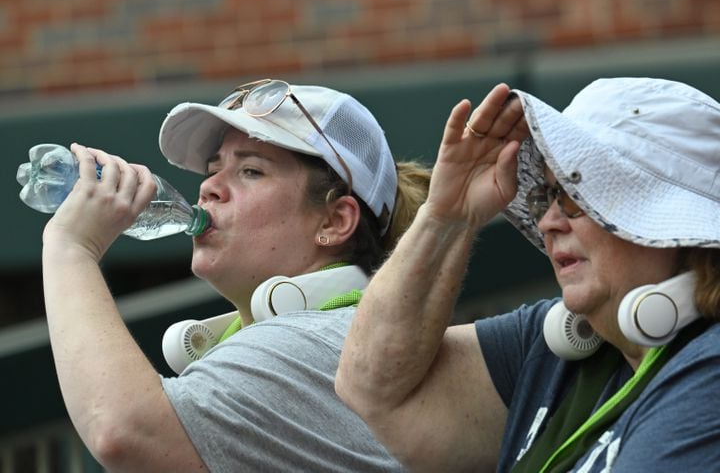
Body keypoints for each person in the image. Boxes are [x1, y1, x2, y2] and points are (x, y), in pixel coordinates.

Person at [41, 79, 431, 472]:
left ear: (334, 220)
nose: (209, 187)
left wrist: (71, 247)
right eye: (214, 169)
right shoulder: (341, 333)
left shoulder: (323, 339)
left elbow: (123, 431)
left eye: (250, 171)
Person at [335, 77, 720, 472]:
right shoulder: (559, 345)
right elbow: (369, 388)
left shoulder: (711, 370)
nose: (549, 222)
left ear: (665, 218)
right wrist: (445, 218)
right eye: (547, 197)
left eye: (575, 195)